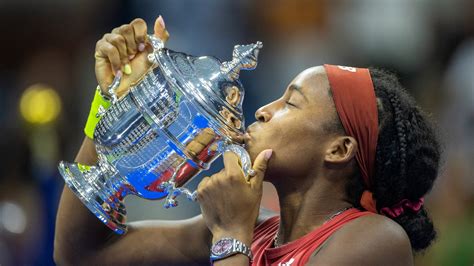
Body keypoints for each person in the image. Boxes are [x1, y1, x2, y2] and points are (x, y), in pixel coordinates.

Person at [54, 15, 441, 265]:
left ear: (339, 149)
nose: (262, 111)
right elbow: (82, 255)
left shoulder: (375, 240)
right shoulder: (252, 227)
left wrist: (229, 237)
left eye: (291, 102)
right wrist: (119, 104)